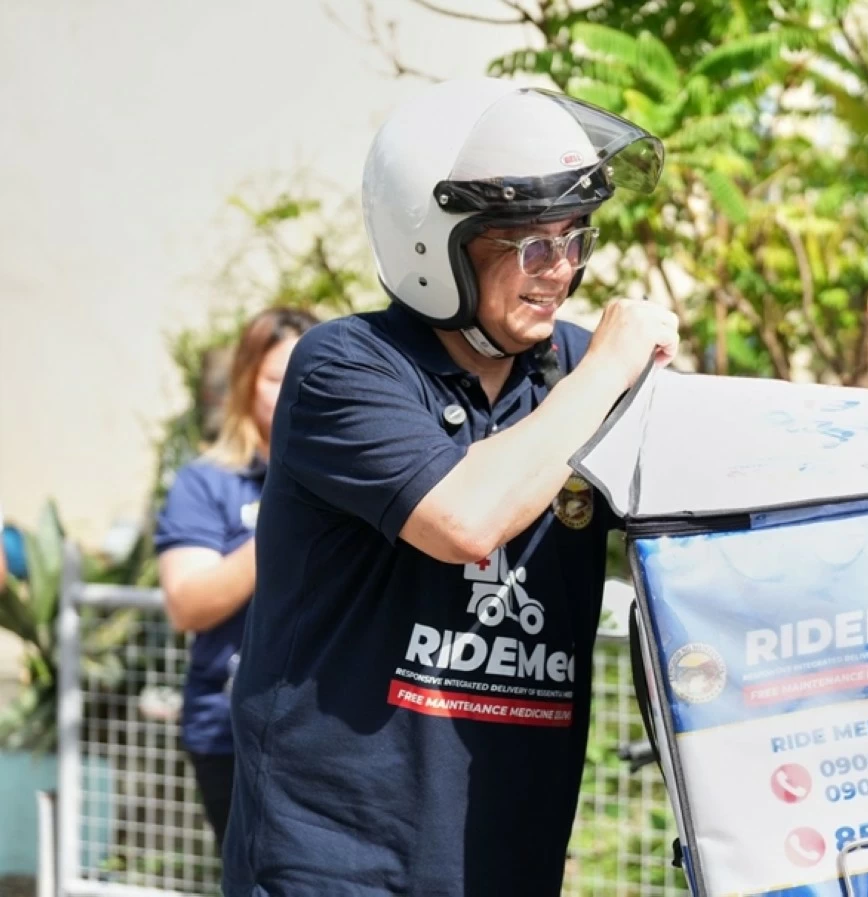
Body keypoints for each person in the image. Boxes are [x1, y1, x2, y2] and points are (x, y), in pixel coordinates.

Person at [221, 77, 680, 896]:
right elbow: (466, 517)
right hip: (338, 865)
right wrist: (613, 366)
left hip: (504, 862)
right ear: (433, 243)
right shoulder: (346, 366)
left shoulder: (572, 373)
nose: (562, 272)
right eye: (532, 245)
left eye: (577, 240)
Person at [154, 306, 318, 849]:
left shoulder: (357, 476)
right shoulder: (207, 483)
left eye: (306, 376)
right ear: (247, 383)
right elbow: (187, 604)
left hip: (328, 731)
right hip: (229, 732)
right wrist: (290, 514)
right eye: (276, 379)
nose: (292, 392)